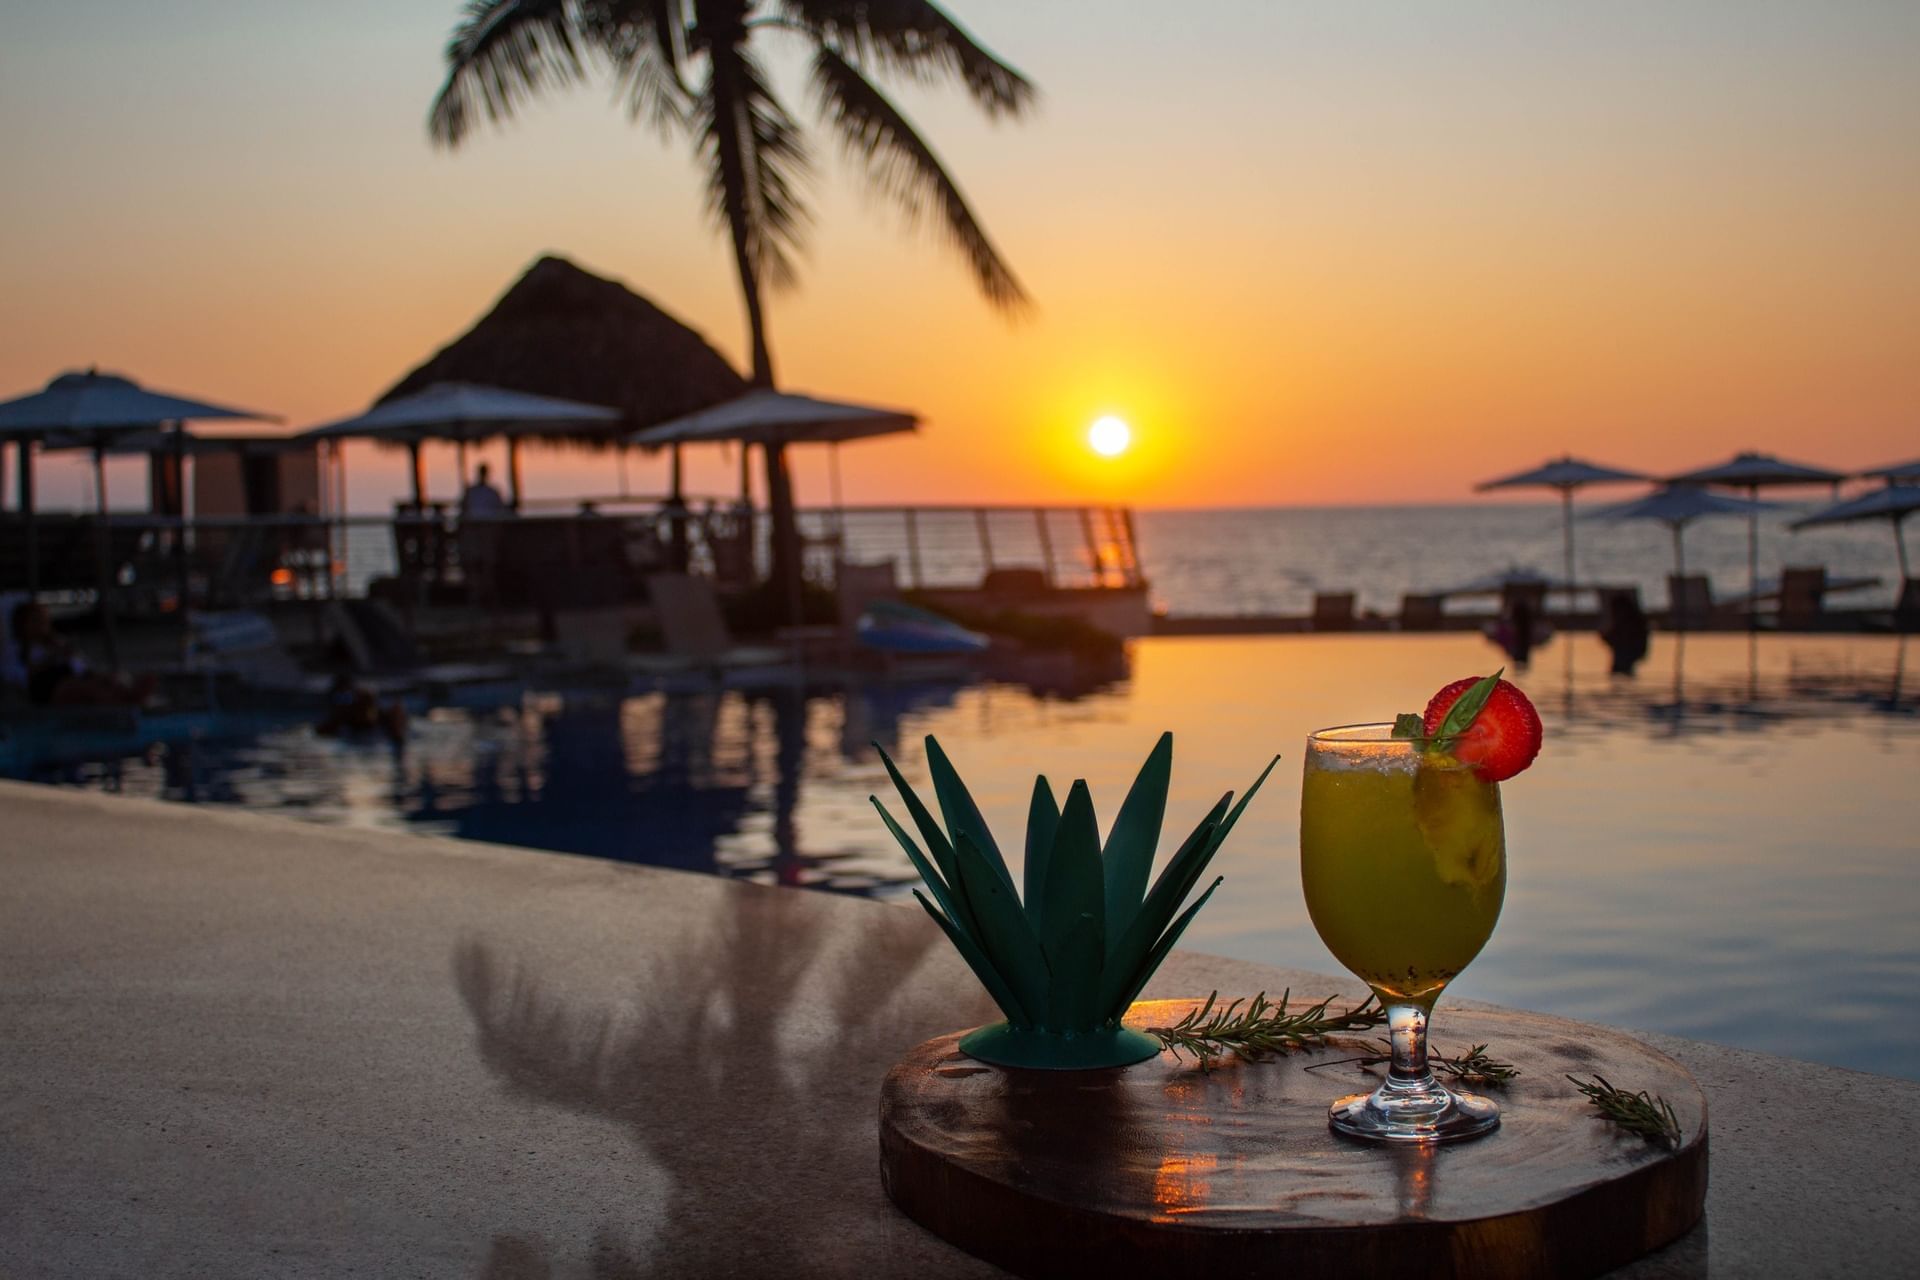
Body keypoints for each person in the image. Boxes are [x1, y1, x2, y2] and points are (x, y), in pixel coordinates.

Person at [7, 600, 152, 707]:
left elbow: (79, 665)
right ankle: (125, 703)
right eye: (36, 621)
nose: (42, 625)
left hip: (72, 676)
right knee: (89, 690)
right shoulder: (19, 647)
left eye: (43, 620)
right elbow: (22, 673)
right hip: (48, 685)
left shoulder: (55, 641)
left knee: (112, 679)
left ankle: (129, 695)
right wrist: (53, 657)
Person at [459, 463, 511, 608]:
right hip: (474, 531)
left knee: (487, 566)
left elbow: (501, 512)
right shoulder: (472, 492)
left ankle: (488, 596)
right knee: (475, 565)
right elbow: (463, 510)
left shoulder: (491, 492)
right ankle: (476, 597)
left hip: (487, 531)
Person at [1599, 591, 1651, 675]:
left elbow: (1611, 638)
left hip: (1626, 655)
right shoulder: (1637, 623)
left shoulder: (1628, 625)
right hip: (1628, 655)